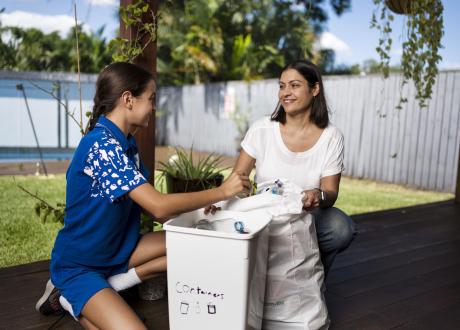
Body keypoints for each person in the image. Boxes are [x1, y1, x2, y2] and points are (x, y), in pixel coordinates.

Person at [35, 62, 250, 329]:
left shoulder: (128, 144)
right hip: (80, 267)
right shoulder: (100, 145)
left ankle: (111, 286)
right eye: (150, 99)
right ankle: (68, 296)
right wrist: (222, 190)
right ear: (128, 99)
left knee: (199, 246)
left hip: (118, 250)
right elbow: (159, 207)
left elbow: (150, 206)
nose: (153, 107)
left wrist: (199, 211)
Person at [232, 59, 356, 277]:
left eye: (295, 85)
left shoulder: (331, 136)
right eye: (282, 86)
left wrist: (318, 196)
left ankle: (313, 281)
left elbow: (331, 193)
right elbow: (237, 178)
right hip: (264, 218)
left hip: (305, 219)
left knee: (340, 228)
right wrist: (229, 200)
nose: (285, 93)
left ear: (315, 88)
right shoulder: (262, 129)